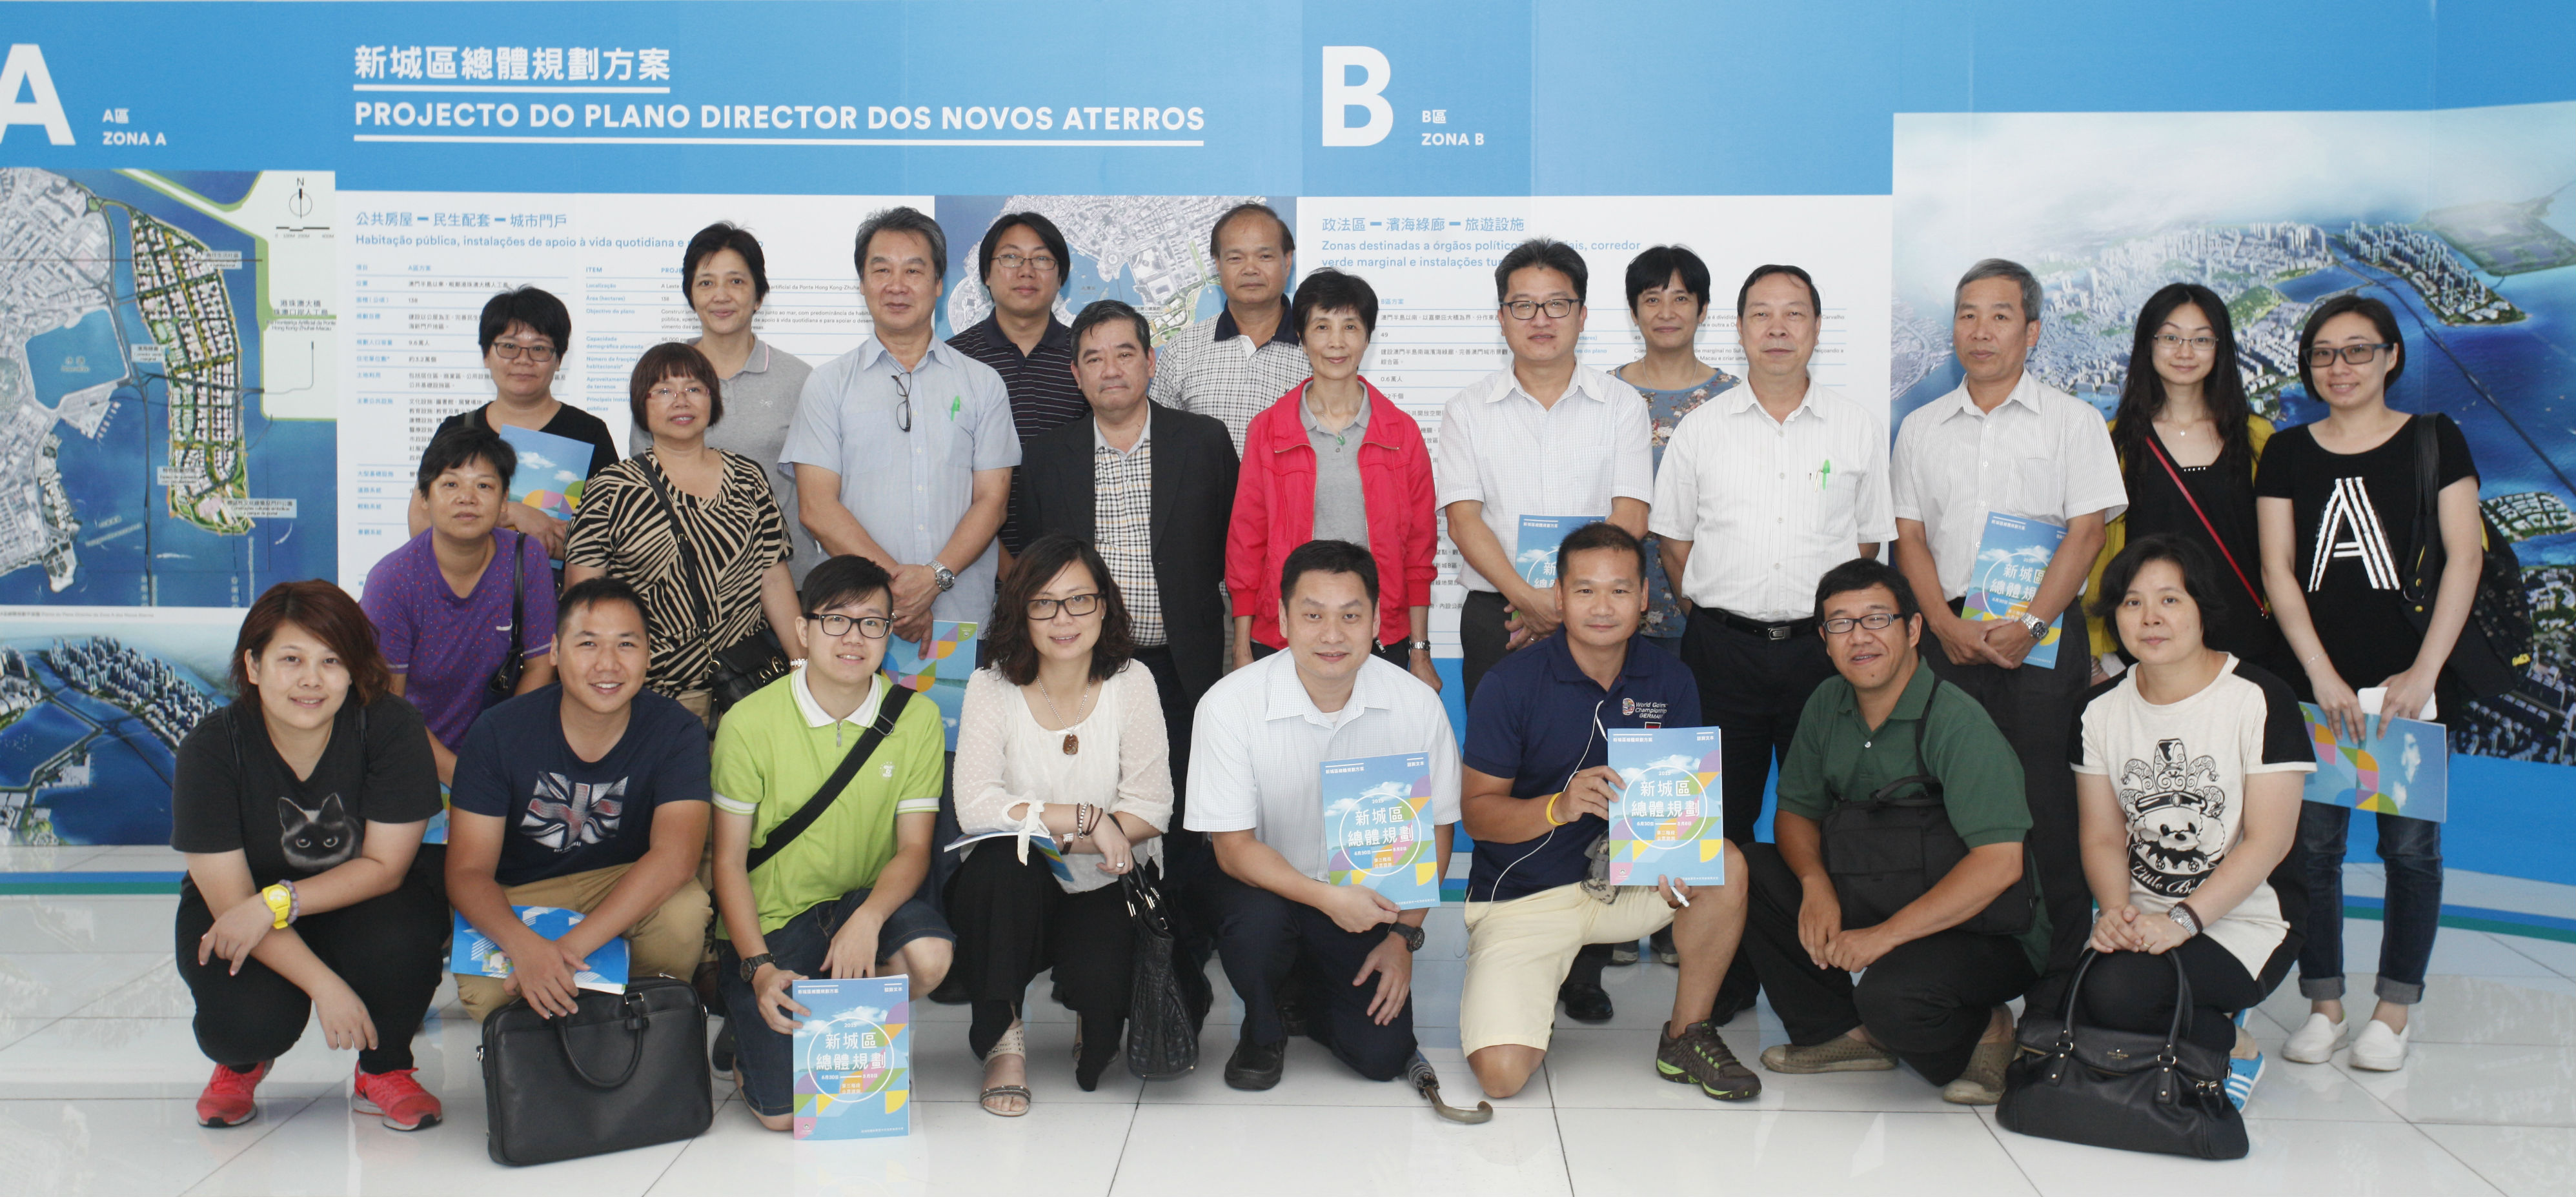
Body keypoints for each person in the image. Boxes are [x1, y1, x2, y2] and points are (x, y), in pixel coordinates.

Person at [1648, 261, 1891, 1008]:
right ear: (1739, 328)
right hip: (1721, 650)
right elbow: (1674, 542)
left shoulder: (1855, 426)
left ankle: (1824, 980)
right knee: (1715, 821)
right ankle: (1719, 986)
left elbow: (1867, 544)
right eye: (1761, 313)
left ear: (1816, 328)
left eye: (1794, 314)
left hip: (1824, 656)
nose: (1778, 328)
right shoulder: (1702, 429)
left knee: (1826, 816)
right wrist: (1717, 613)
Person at [1455, 521, 1759, 1101]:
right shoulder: (1509, 683)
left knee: (1723, 864)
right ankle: (1523, 993)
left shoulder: (1670, 678)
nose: (1602, 607)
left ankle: (1686, 1035)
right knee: (1501, 1075)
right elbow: (1478, 815)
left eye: (1619, 590)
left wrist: (1675, 850)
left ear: (1643, 597)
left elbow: (1683, 801)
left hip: (1626, 884)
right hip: (1527, 896)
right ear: (1558, 596)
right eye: (1585, 590)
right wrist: (1559, 806)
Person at [2256, 295, 2482, 1073]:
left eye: (2357, 350)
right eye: (2323, 353)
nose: (2339, 366)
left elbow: (2465, 558)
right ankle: (2324, 1005)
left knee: (2409, 851)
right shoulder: (2286, 451)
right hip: (2313, 686)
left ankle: (2393, 1011)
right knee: (2311, 851)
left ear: (2391, 356)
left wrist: (2424, 672)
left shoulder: (2434, 438)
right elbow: (2278, 570)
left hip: (2407, 690)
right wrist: (2320, 675)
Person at [1739, 558, 2051, 1105]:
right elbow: (1794, 812)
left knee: (1894, 1001)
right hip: (1875, 887)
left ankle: (1988, 1028)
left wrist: (1882, 937)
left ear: (1912, 629)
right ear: (1824, 640)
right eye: (1841, 623)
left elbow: (1999, 862)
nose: (1859, 636)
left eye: (1876, 618)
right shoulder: (1825, 703)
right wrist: (1814, 883)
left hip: (1981, 928)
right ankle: (1844, 1033)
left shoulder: (1957, 721)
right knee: (1750, 870)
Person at [1890, 257, 2124, 978]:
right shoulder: (1920, 427)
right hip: (1948, 633)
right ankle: (1961, 976)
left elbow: (2087, 534)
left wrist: (2031, 626)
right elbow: (1909, 538)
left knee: (2049, 809)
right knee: (1945, 805)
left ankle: (2057, 986)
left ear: (2032, 331)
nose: (1980, 330)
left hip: (2041, 637)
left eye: (1999, 315)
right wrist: (1943, 625)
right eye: (1967, 315)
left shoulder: (2074, 421)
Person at [1186, 539, 1461, 1089]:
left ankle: (1307, 991)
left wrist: (1402, 939)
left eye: (1350, 616)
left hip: (1360, 898)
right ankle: (1263, 1023)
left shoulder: (1416, 704)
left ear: (1377, 621)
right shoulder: (1229, 704)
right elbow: (1233, 850)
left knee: (1381, 1055)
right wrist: (1327, 898)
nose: (1332, 635)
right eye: (1313, 615)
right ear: (1283, 619)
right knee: (1258, 928)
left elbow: (1436, 831)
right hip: (1260, 888)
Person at [174, 581, 447, 1131]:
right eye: (291, 659)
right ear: (253, 665)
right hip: (243, 906)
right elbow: (232, 903)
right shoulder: (212, 748)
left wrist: (278, 901)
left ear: (354, 669)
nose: (311, 679)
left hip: (360, 899)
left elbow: (385, 866)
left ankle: (384, 1067)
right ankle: (242, 1062)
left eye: (331, 660)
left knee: (405, 938)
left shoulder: (391, 727)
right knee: (244, 1021)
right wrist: (325, 986)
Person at [1013, 300, 1237, 970]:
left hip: (1180, 665)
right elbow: (1034, 567)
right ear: (1076, 375)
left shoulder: (1202, 441)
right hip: (1084, 672)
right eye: (1093, 358)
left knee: (1181, 810)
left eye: (1124, 353)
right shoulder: (1046, 457)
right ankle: (1105, 953)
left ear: (1150, 361)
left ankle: (1182, 958)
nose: (1110, 369)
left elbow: (1233, 550)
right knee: (1096, 803)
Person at [709, 554, 955, 1132]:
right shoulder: (748, 721)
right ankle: (754, 1032)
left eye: (871, 622)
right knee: (783, 1116)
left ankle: (849, 1018)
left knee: (930, 955)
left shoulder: (916, 718)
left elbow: (914, 850)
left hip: (858, 907)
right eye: (836, 620)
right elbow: (727, 862)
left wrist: (868, 918)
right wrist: (759, 968)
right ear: (802, 629)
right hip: (772, 924)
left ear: (888, 633)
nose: (853, 637)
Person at [2073, 534, 2310, 1110]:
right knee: (2070, 1000)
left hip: (2245, 918)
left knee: (2117, 996)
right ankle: (2197, 1016)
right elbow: (2101, 835)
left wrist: (2183, 919)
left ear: (2202, 608)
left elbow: (2269, 840)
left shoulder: (2260, 698)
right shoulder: (2099, 710)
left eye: (2169, 600)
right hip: (2142, 916)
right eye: (2131, 602)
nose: (2149, 618)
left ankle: (2236, 1046)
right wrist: (2114, 913)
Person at [949, 535, 1172, 1112]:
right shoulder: (990, 685)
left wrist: (1075, 838)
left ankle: (1089, 1013)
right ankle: (1003, 1039)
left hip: (1106, 876)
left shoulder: (1132, 680)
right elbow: (975, 806)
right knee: (1000, 867)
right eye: (1043, 604)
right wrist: (1089, 819)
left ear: (1104, 605)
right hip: (1015, 881)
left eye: (1079, 600)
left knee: (1100, 1043)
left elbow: (1152, 808)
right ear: (1020, 611)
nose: (1063, 618)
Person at [444, 576, 715, 1023]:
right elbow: (467, 871)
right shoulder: (498, 731)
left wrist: (565, 952)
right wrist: (525, 948)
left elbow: (675, 858)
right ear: (554, 651)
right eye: (588, 644)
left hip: (620, 881)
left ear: (649, 654)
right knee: (492, 995)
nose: (607, 664)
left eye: (626, 644)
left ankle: (643, 1027)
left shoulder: (676, 730)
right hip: (523, 893)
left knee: (683, 914)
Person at [785, 205, 1019, 654]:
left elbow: (992, 502)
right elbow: (816, 507)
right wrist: (896, 591)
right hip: (855, 625)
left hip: (958, 622)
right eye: (881, 270)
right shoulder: (827, 384)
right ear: (862, 283)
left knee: (957, 706)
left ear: (938, 284)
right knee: (856, 706)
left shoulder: (982, 384)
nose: (897, 285)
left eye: (913, 270)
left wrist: (934, 578)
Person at [1437, 238, 1654, 703]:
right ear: (1501, 318)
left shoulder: (1622, 405)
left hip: (1597, 613)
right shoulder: (1466, 410)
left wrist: (1566, 601)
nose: (1540, 319)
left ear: (1582, 315)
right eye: (1523, 306)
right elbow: (1463, 521)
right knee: (1500, 745)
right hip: (1498, 616)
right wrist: (1529, 600)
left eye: (1557, 304)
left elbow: (1632, 517)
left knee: (1596, 742)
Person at [567, 342, 803, 723]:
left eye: (694, 388)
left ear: (712, 400)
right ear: (641, 405)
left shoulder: (749, 478)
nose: (681, 400)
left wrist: (801, 665)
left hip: (748, 688)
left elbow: (774, 581)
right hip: (649, 696)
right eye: (663, 391)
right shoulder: (610, 489)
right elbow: (583, 600)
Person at [1228, 268, 1439, 690]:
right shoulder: (1268, 431)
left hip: (1379, 633)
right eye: (1322, 327)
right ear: (1302, 337)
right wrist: (1241, 647)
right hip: (1286, 634)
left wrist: (1419, 650)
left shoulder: (1401, 433)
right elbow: (1246, 543)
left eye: (1350, 327)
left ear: (1367, 337)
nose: (1336, 342)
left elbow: (1419, 550)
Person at [2087, 283, 2286, 677]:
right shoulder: (2114, 443)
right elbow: (2095, 554)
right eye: (2171, 337)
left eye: (2201, 339)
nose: (2185, 351)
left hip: (2245, 644)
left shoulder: (2257, 438)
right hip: (2148, 647)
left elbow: (2278, 555)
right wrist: (2097, 655)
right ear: (2148, 345)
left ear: (2221, 348)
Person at [624, 223, 820, 585]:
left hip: (785, 582)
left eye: (736, 281)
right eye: (706, 283)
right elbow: (644, 484)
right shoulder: (660, 378)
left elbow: (818, 495)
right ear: (691, 296)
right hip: (683, 586)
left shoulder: (801, 380)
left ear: (759, 296)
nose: (721, 295)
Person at [363, 425, 558, 791]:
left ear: (504, 501)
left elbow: (539, 667)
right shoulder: (392, 581)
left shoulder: (527, 558)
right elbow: (390, 703)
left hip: (505, 755)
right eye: (450, 484)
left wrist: (501, 760)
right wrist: (465, 778)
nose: (467, 498)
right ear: (425, 497)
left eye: (484, 485)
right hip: (414, 757)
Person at [409, 286, 620, 561]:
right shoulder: (457, 429)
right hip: (468, 585)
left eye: (539, 349)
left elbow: (613, 535)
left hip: (559, 587)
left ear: (559, 360)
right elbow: (420, 524)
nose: (523, 360)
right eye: (509, 347)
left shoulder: (588, 432)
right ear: (486, 355)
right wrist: (510, 514)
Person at [1610, 245, 1741, 652]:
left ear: (1703, 310)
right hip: (1612, 606)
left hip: (1717, 606)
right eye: (1652, 300)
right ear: (1634, 313)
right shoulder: (1603, 395)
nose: (1666, 313)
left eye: (1681, 299)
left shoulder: (1736, 399)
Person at [948, 211, 1088, 567]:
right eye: (1010, 257)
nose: (1026, 271)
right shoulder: (952, 360)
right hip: (969, 562)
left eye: (1042, 259)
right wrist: (1003, 568)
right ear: (986, 274)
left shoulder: (1088, 358)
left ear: (1061, 277)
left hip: (1071, 565)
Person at [1149, 202, 1312, 454]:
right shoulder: (1182, 349)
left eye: (1265, 256)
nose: (1250, 269)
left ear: (1287, 261)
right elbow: (1160, 445)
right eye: (1236, 258)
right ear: (1218, 264)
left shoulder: (1318, 348)